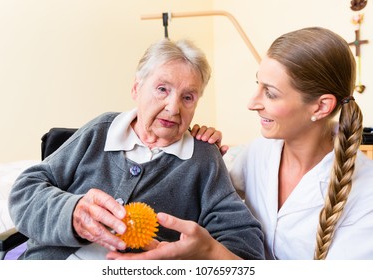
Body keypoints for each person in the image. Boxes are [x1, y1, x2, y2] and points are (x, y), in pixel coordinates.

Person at [107, 27, 373, 260]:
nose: (252, 103)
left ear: (321, 106)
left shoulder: (365, 193)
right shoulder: (258, 152)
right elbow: (205, 190)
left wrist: (212, 254)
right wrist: (204, 148)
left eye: (270, 93)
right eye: (258, 85)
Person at [8, 38, 264, 260]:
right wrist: (72, 212)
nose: (173, 108)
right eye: (162, 89)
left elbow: (245, 248)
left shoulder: (203, 157)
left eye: (188, 97)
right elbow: (26, 190)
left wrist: (194, 258)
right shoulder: (101, 130)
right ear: (136, 88)